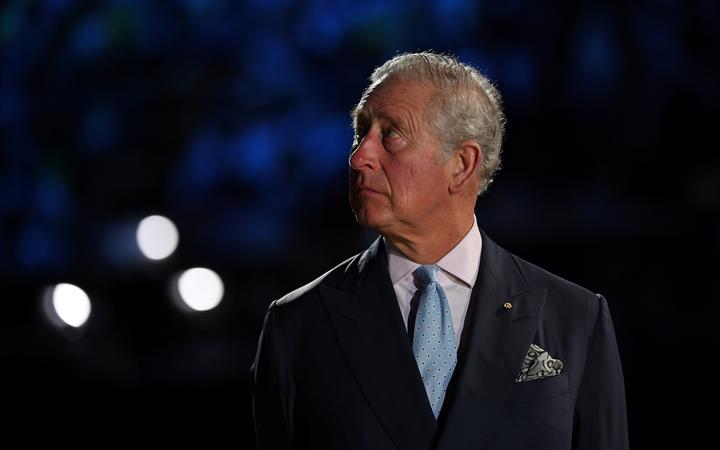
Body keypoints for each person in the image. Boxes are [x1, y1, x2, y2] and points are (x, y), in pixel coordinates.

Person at [250, 51, 629, 450]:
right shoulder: (296, 325)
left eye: (390, 134)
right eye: (361, 133)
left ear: (462, 164)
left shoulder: (576, 319)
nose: (359, 157)